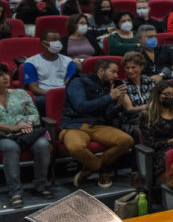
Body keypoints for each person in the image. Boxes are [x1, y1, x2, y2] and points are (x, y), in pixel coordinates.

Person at [61, 59, 135, 188]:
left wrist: (117, 104)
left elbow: (107, 115)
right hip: (75, 125)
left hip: (98, 125)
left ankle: (89, 170)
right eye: (113, 72)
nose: (116, 76)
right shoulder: (78, 81)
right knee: (76, 148)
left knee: (126, 141)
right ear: (101, 71)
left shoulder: (109, 86)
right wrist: (109, 97)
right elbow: (80, 107)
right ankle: (103, 170)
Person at [0, 63, 53, 207]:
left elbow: (33, 114)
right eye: (0, 75)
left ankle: (40, 186)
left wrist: (26, 124)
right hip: (3, 136)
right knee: (10, 147)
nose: (5, 77)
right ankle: (15, 191)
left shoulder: (21, 94)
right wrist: (12, 127)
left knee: (42, 144)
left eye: (6, 74)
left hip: (26, 133)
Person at [138, 81, 173, 178]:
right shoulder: (147, 116)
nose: (170, 97)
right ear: (157, 95)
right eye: (167, 94)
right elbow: (150, 143)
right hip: (161, 153)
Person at [23, 30, 77, 109]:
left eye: (59, 40)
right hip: (43, 95)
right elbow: (33, 88)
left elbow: (70, 84)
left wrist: (61, 94)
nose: (58, 43)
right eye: (54, 40)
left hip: (64, 94)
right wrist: (51, 94)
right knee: (38, 101)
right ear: (44, 43)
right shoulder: (31, 62)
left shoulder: (68, 61)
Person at [120, 51, 155, 139]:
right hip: (132, 121)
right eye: (127, 68)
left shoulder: (149, 81)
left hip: (152, 116)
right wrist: (147, 107)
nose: (130, 71)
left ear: (141, 67)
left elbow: (157, 101)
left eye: (133, 67)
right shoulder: (122, 86)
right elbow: (129, 108)